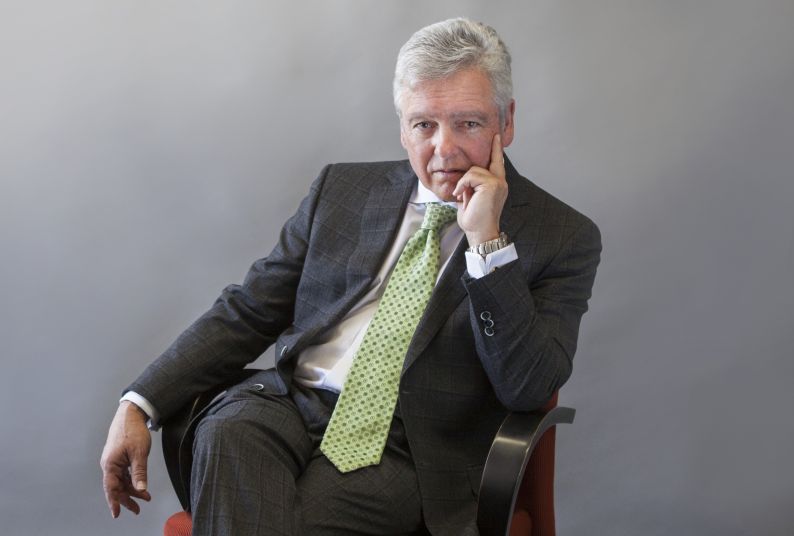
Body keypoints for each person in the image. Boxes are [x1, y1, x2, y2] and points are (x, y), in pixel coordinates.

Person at [100, 17, 601, 536]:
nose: (444, 150)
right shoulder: (341, 189)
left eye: (468, 124)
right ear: (402, 127)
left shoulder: (561, 236)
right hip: (290, 405)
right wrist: (138, 403)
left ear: (507, 122)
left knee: (292, 522)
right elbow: (249, 309)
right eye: (424, 124)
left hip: (407, 448)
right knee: (225, 430)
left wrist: (487, 243)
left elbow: (527, 386)